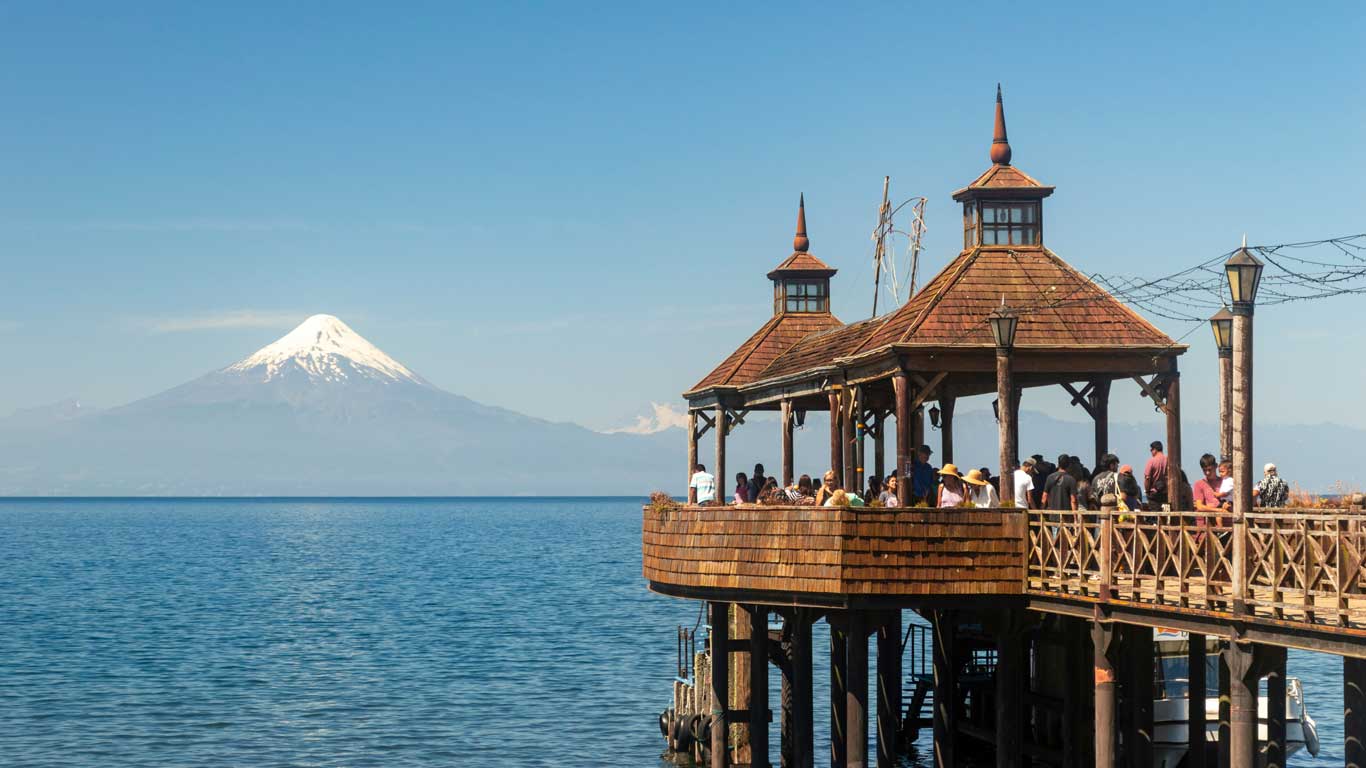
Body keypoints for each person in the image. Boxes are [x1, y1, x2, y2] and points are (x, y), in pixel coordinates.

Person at [1192, 453, 1229, 526]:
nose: (1207, 473)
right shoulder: (1199, 484)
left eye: (1209, 469)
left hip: (1228, 524)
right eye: (1204, 470)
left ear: (1216, 466)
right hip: (1207, 527)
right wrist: (1219, 510)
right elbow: (1200, 506)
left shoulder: (1226, 482)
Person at [1144, 441, 1169, 507]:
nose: (1151, 451)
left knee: (1154, 514)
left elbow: (1147, 478)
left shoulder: (1151, 461)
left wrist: (1147, 491)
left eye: (1151, 449)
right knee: (1164, 514)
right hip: (1164, 493)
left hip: (1154, 493)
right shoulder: (1168, 460)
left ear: (1155, 449)